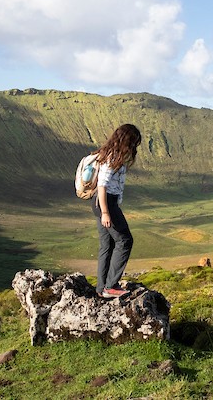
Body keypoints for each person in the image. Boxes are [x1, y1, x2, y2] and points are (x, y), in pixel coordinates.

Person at [92, 123, 142, 298]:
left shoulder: (108, 153)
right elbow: (102, 185)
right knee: (125, 241)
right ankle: (110, 286)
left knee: (107, 245)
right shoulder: (113, 157)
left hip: (101, 203)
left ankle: (101, 288)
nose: (133, 147)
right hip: (106, 203)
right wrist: (106, 212)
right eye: (133, 142)